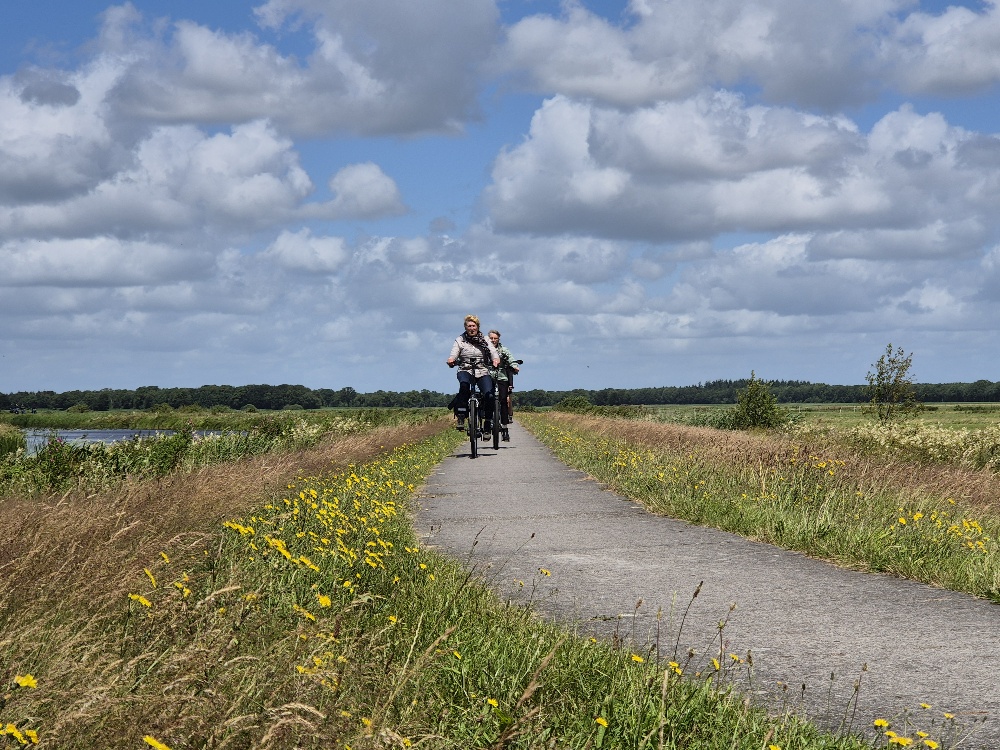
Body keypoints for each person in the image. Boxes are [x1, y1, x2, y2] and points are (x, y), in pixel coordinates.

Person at [446, 315, 500, 433]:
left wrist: (495, 359)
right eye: (469, 326)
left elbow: (493, 351)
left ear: (477, 327)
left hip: (482, 370)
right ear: (465, 327)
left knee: (489, 395)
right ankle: (461, 415)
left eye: (473, 326)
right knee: (464, 386)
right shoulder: (460, 339)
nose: (471, 328)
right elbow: (454, 352)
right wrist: (451, 359)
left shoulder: (485, 339)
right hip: (465, 369)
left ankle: (487, 422)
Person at [487, 330, 519, 435]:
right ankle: (487, 423)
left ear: (498, 339)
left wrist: (514, 366)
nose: (493, 340)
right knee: (487, 399)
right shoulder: (484, 349)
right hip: (487, 376)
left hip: (502, 377)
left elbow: (510, 358)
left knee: (504, 401)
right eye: (491, 338)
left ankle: (505, 428)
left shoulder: (503, 349)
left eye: (495, 338)